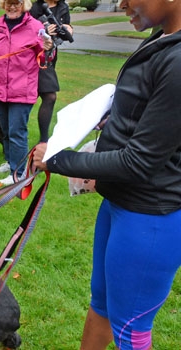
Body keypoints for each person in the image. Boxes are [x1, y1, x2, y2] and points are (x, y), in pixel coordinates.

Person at [33, 1, 181, 348]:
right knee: (101, 306)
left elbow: (139, 162)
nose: (121, 3)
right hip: (120, 206)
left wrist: (57, 159)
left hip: (149, 221)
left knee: (130, 330)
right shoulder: (163, 38)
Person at [0, 0, 53, 185]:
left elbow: (45, 56)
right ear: (3, 4)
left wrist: (48, 48)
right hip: (0, 89)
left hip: (22, 90)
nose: (13, 7)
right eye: (9, 3)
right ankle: (10, 161)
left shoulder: (35, 27)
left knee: (17, 132)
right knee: (5, 130)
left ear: (25, 5)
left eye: (17, 3)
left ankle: (19, 174)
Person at [30, 0, 73, 143]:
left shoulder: (63, 7)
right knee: (47, 96)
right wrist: (42, 31)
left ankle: (42, 141)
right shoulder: (34, 7)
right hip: (32, 56)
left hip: (49, 57)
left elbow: (64, 30)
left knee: (42, 97)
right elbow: (25, 30)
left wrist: (68, 29)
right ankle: (40, 140)